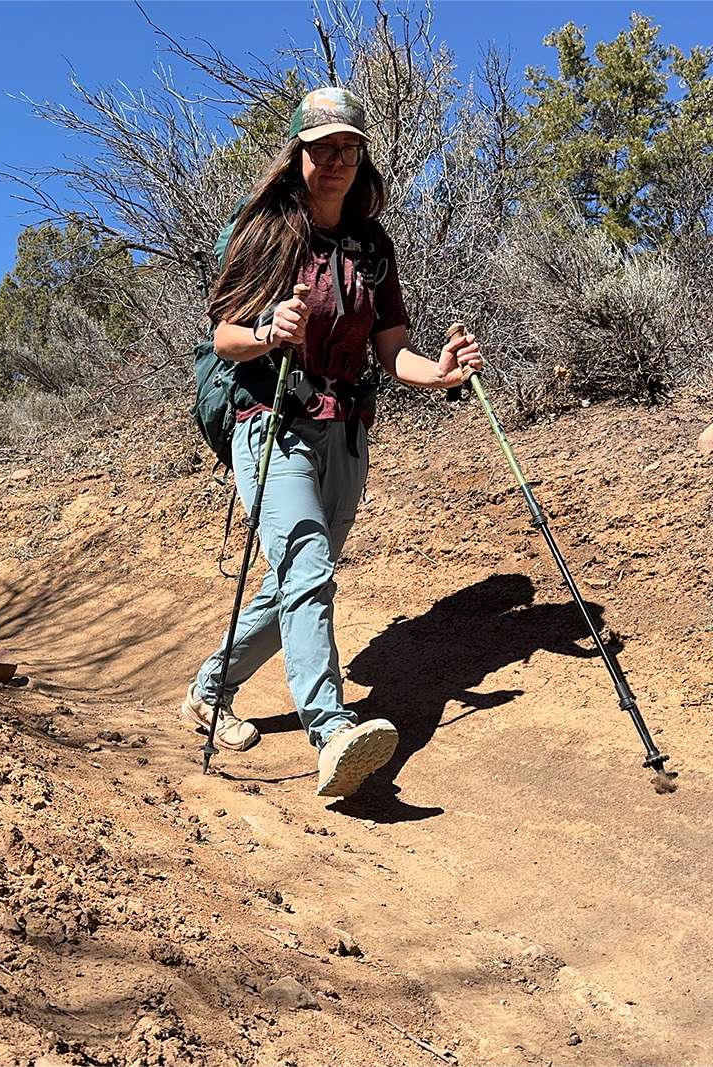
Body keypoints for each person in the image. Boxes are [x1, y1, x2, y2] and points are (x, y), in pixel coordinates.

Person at [178, 86, 484, 798]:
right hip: (269, 419)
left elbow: (393, 352)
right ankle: (332, 731)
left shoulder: (372, 246)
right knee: (308, 564)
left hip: (346, 430)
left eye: (347, 148)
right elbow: (223, 335)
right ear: (299, 156)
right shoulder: (265, 231)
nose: (335, 162)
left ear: (361, 156)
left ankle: (208, 688)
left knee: (295, 578)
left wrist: (437, 374)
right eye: (321, 150)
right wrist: (266, 334)